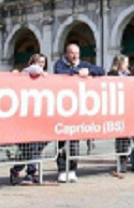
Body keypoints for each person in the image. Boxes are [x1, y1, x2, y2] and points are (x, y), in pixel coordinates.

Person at [53, 43, 105, 183]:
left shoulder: (83, 64)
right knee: (62, 143)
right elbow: (60, 74)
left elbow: (101, 70)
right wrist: (77, 73)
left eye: (77, 53)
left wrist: (88, 72)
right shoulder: (60, 64)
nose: (75, 56)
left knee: (75, 143)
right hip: (63, 109)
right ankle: (62, 170)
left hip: (77, 109)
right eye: (72, 53)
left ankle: (73, 169)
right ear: (66, 54)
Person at [11, 53, 49, 185]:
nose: (41, 65)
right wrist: (41, 71)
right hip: (26, 117)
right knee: (31, 147)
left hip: (40, 117)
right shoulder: (26, 73)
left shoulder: (43, 76)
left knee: (34, 148)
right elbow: (33, 69)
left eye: (43, 62)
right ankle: (31, 173)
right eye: (39, 62)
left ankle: (17, 169)